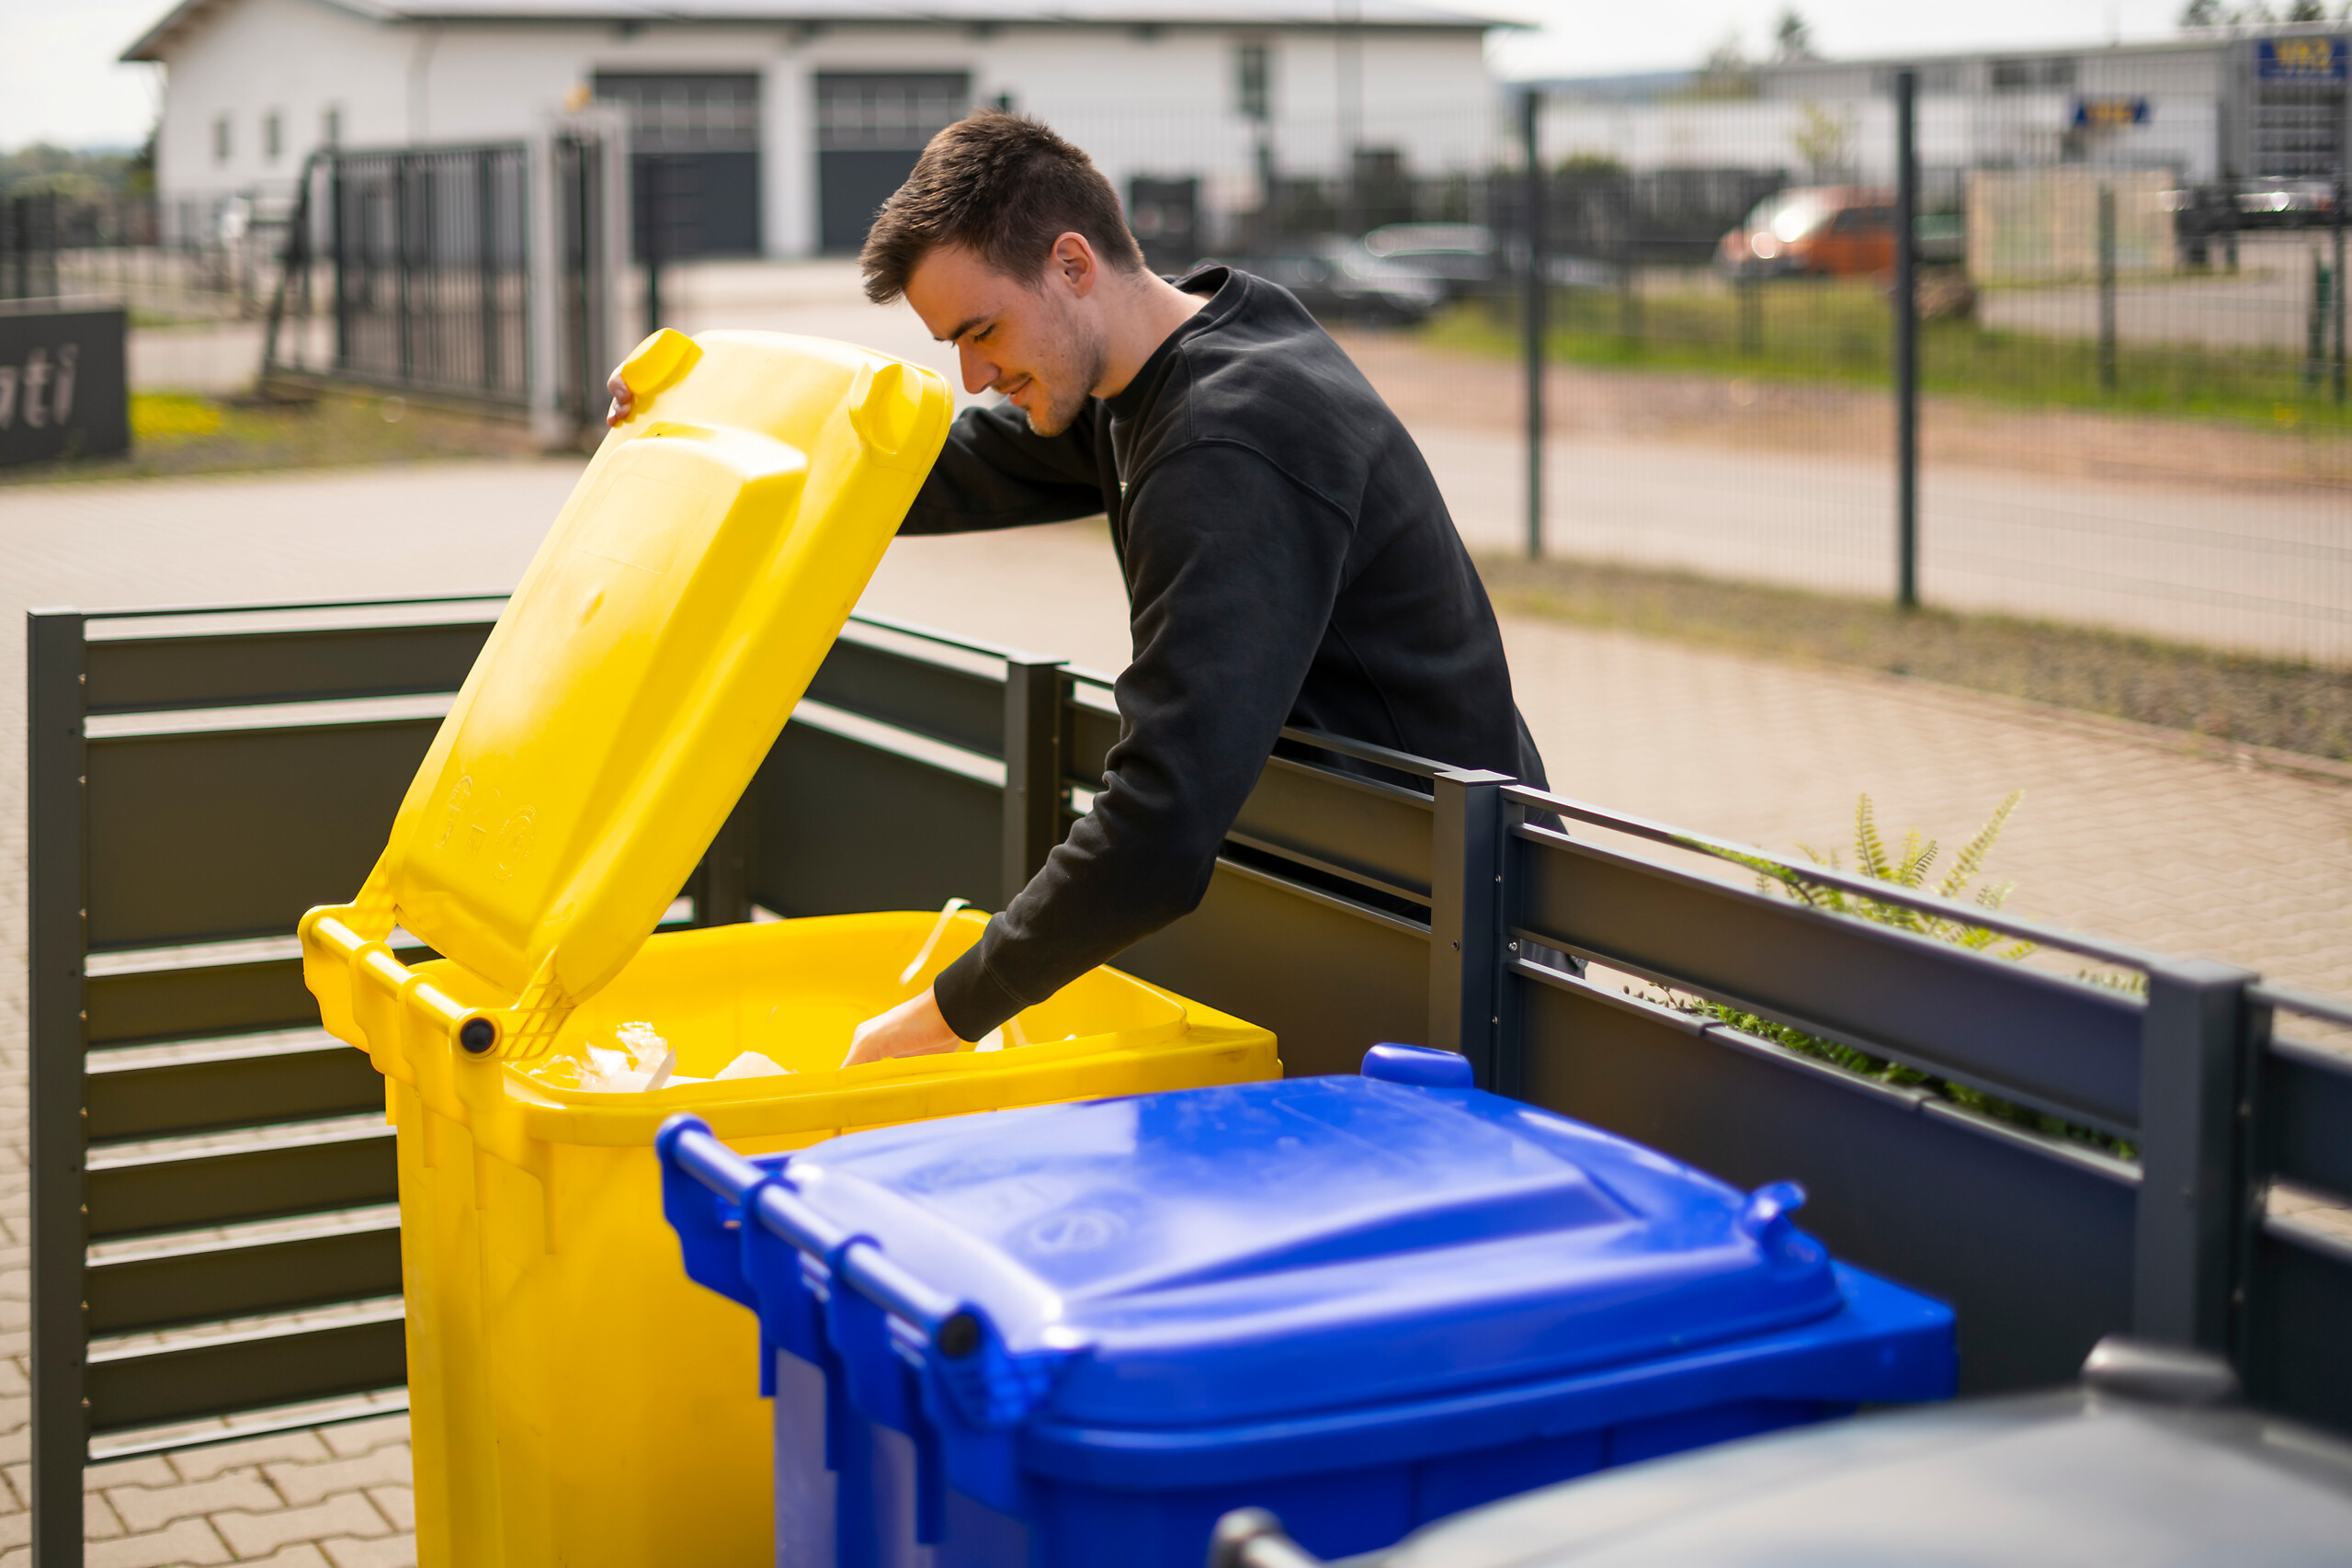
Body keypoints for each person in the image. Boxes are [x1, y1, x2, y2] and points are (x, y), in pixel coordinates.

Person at [608, 112, 1547, 1066]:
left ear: (1070, 263)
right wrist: (703, 417)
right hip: (1358, 883)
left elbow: (1159, 824)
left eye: (982, 331)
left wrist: (938, 1019)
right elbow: (922, 472)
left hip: (1449, 939)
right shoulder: (1156, 368)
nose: (973, 376)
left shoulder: (1228, 443)